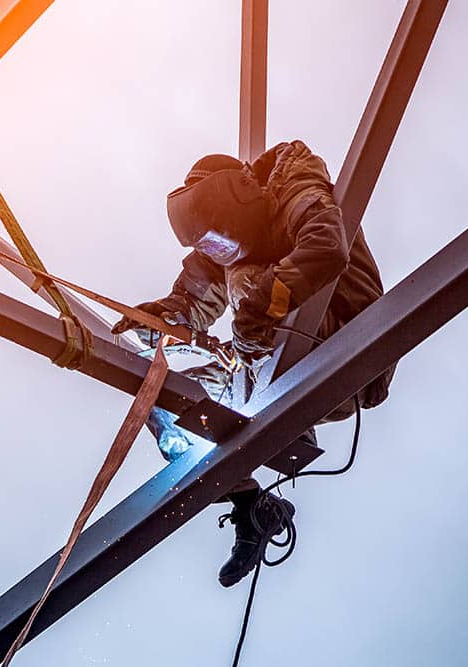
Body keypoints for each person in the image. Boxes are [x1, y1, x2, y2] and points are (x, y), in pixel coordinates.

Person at [112, 141, 395, 587]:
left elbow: (326, 246)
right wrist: (165, 318)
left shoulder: (294, 186)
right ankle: (250, 505)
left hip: (348, 340)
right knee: (164, 396)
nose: (220, 253)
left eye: (219, 241)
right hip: (281, 358)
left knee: (245, 279)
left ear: (237, 199)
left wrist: (258, 310)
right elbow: (194, 296)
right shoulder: (228, 241)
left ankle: (284, 390)